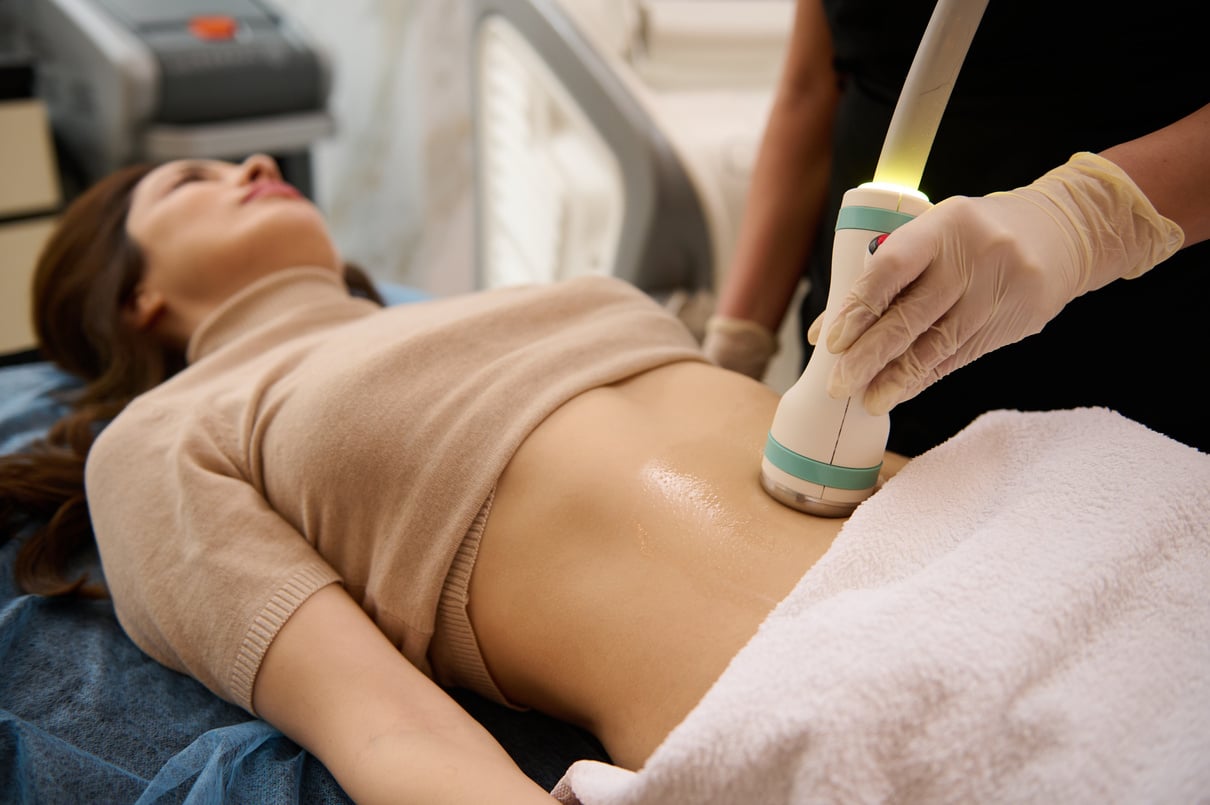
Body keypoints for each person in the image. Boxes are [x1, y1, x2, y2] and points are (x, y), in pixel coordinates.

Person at [0, 155, 911, 803]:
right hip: (847, 687)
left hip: (999, 500)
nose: (256, 161)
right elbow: (381, 724)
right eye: (189, 181)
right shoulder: (160, 436)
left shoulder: (497, 295)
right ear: (132, 297)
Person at [704, 0, 1210, 456]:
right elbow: (810, 87)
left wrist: (1088, 219)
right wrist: (736, 343)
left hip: (1110, 382)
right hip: (847, 355)